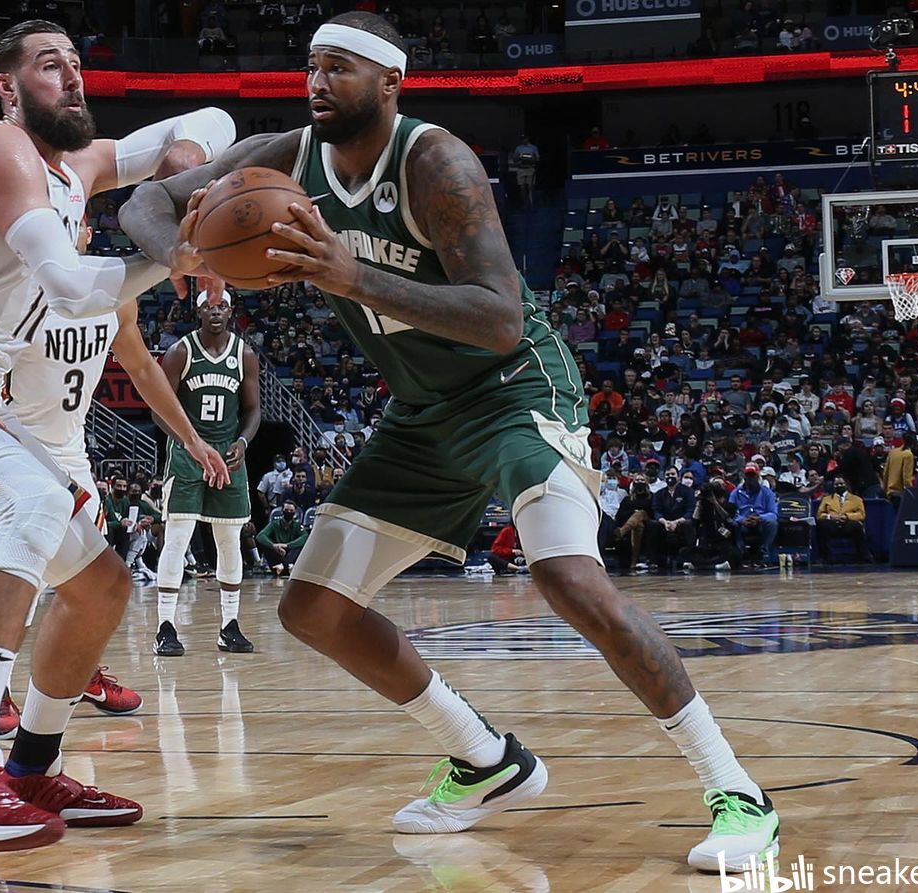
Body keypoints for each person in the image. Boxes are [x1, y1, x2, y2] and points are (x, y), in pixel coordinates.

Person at [120, 12, 778, 871]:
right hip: (423, 409)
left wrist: (349, 275)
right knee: (312, 607)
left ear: (391, 82)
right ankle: (485, 758)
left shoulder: (438, 163)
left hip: (514, 389)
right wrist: (182, 252)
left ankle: (738, 790)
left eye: (339, 68)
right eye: (312, 66)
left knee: (567, 575)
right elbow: (145, 201)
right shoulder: (284, 156)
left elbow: (501, 319)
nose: (317, 83)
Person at [0, 19, 235, 852]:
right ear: (7, 87)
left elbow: (212, 120)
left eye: (74, 62)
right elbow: (67, 285)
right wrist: (181, 254)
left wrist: (186, 162)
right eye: (46, 65)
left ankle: (32, 765)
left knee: (100, 585)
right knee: (28, 506)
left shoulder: (81, 166)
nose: (70, 76)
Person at [153, 289, 262, 657]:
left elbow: (253, 410)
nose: (216, 312)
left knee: (229, 540)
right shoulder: (180, 352)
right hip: (188, 454)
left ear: (231, 312)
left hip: (228, 455)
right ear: (197, 311)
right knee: (177, 538)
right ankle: (165, 626)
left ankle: (229, 626)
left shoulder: (244, 354)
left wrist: (243, 443)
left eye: (222, 307)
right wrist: (189, 443)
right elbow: (158, 409)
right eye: (209, 307)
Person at [730, 464, 779, 568]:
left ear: (758, 476)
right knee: (733, 524)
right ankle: (742, 553)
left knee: (772, 524)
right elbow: (730, 512)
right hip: (743, 524)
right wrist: (741, 519)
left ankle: (763, 553)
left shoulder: (767, 492)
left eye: (753, 475)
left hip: (760, 523)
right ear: (744, 477)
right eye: (748, 475)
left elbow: (773, 513)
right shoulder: (735, 493)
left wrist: (760, 518)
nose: (750, 478)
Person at [815, 476, 871, 563]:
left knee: (857, 526)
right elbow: (819, 514)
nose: (839, 486)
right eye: (836, 484)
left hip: (848, 523)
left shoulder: (857, 499)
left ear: (846, 485)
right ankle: (826, 558)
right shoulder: (826, 499)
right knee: (822, 524)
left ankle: (863, 557)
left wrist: (846, 516)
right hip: (832, 524)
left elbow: (861, 514)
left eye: (841, 484)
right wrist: (830, 517)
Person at [255, 499, 309, 576]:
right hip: (277, 553)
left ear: (295, 512)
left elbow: (305, 537)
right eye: (286, 510)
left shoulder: (297, 525)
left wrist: (287, 545)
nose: (289, 512)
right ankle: (285, 566)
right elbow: (260, 536)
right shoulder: (274, 524)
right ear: (282, 511)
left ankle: (283, 565)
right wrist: (273, 545)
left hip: (290, 553)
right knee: (265, 545)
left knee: (300, 547)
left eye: (291, 510)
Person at [511, 135, 539, 207]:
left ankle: (531, 203)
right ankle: (525, 203)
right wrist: (520, 158)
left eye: (525, 139)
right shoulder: (518, 148)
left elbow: (537, 158)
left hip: (530, 169)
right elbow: (514, 158)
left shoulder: (533, 147)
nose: (523, 140)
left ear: (528, 139)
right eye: (522, 139)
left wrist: (530, 159)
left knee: (530, 187)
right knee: (522, 187)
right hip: (521, 169)